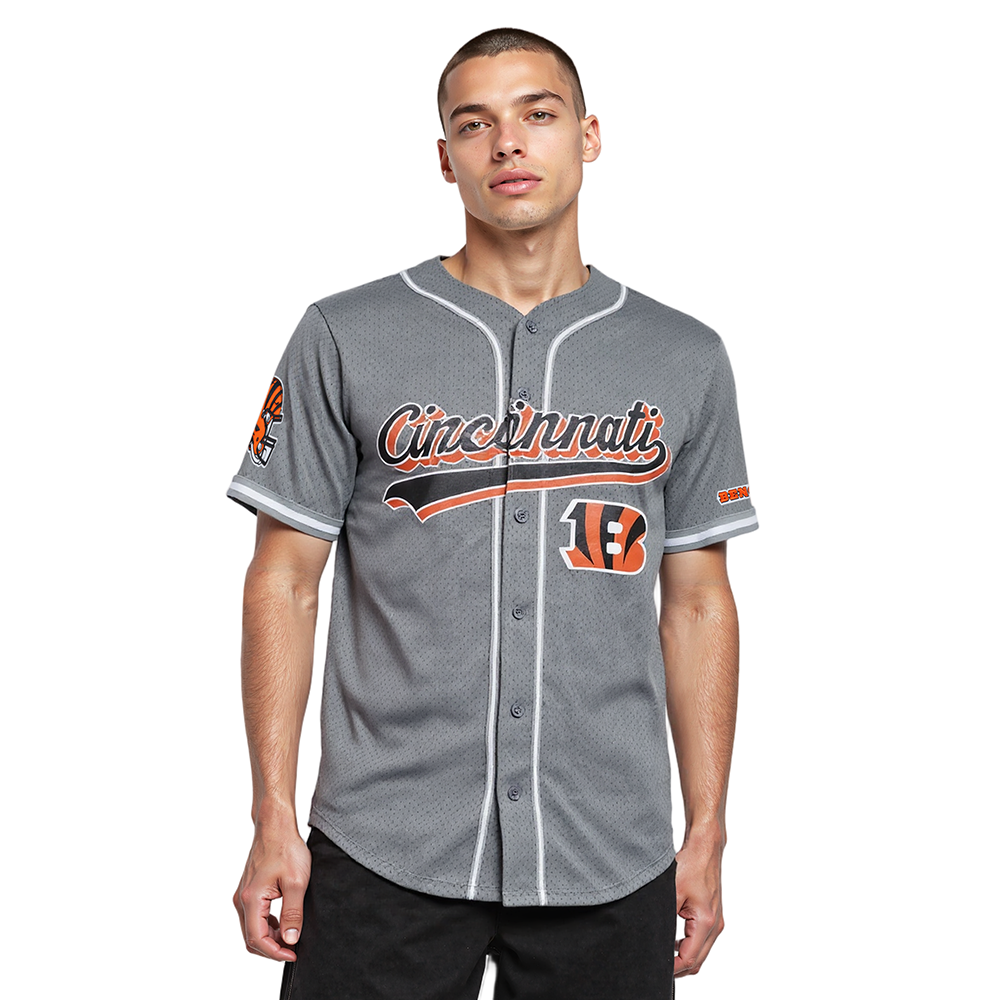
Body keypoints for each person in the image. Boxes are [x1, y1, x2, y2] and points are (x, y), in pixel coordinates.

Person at [229, 27, 758, 1000]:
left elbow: (697, 603)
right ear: (446, 157)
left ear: (588, 136)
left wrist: (708, 829)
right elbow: (285, 580)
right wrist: (270, 812)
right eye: (474, 124)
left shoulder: (683, 356)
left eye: (537, 114)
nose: (507, 142)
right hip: (383, 842)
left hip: (609, 847)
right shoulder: (346, 334)